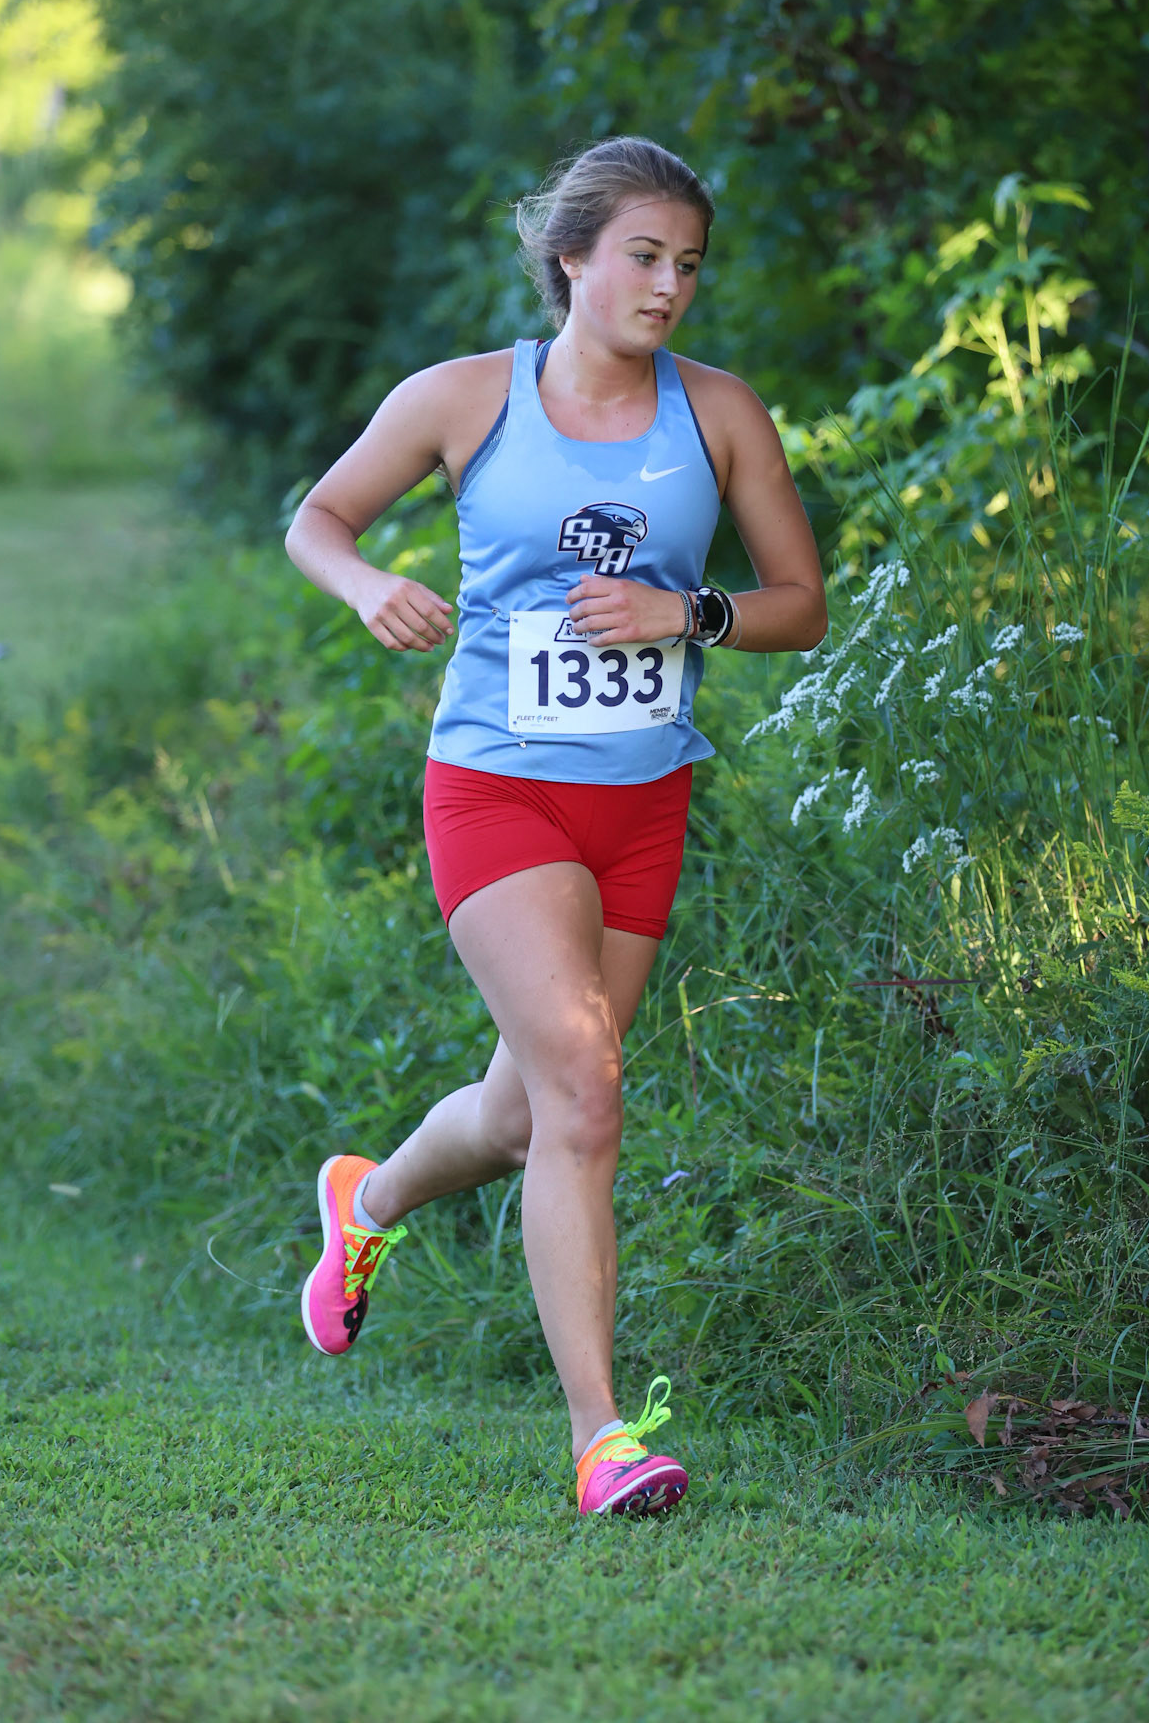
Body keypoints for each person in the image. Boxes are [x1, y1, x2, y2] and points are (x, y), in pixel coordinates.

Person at [284, 135, 826, 1517]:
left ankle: (371, 1198)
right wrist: (364, 589)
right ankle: (602, 1439)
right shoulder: (465, 399)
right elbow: (319, 519)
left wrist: (683, 613)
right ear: (572, 256)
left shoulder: (717, 416)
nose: (668, 287)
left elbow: (797, 604)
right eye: (642, 257)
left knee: (530, 1111)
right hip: (496, 786)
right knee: (586, 1095)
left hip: (644, 802)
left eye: (689, 265)